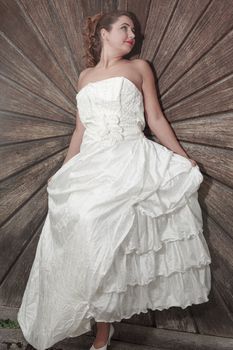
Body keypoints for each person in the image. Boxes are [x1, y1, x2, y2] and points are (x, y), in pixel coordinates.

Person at [17, 10, 212, 350]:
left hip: (128, 157)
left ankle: (104, 334)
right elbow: (80, 130)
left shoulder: (139, 68)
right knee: (83, 229)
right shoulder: (84, 77)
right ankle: (91, 320)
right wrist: (64, 173)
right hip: (91, 162)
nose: (131, 35)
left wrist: (181, 156)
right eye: (124, 28)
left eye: (134, 31)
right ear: (104, 34)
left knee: (104, 230)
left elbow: (154, 117)